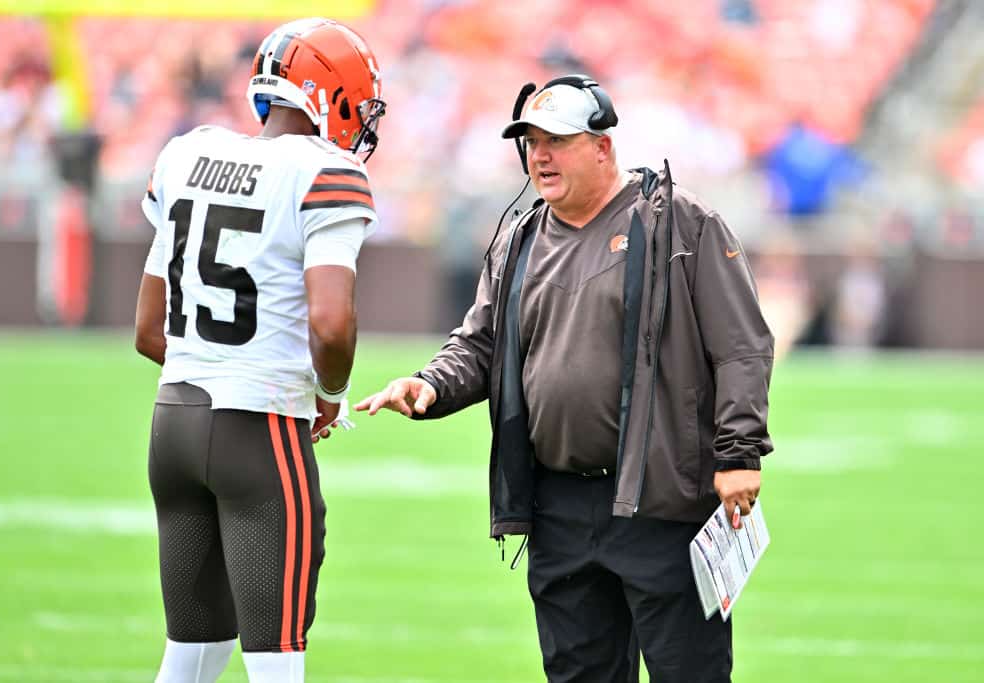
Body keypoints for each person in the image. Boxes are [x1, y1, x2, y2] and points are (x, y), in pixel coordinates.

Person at [356, 75, 773, 682]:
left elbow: (742, 346)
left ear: (602, 146)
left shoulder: (681, 224)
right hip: (559, 508)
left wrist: (739, 452)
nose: (539, 155)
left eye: (556, 140)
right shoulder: (519, 238)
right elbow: (481, 343)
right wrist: (433, 385)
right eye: (530, 141)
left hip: (660, 499)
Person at [133, 18, 385, 683]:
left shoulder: (186, 154)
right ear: (328, 94)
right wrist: (326, 397)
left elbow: (146, 329)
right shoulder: (327, 171)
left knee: (190, 656)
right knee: (276, 663)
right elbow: (332, 325)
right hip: (257, 432)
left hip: (173, 422)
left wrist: (216, 366)